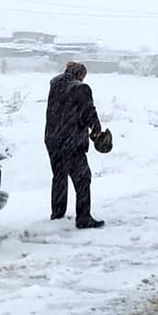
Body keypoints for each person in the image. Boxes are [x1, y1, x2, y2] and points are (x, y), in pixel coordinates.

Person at [44, 61, 105, 229]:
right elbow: (89, 112)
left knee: (59, 177)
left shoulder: (55, 84)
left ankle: (57, 215)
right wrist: (97, 130)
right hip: (71, 142)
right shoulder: (81, 89)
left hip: (52, 140)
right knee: (83, 179)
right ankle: (83, 218)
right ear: (80, 74)